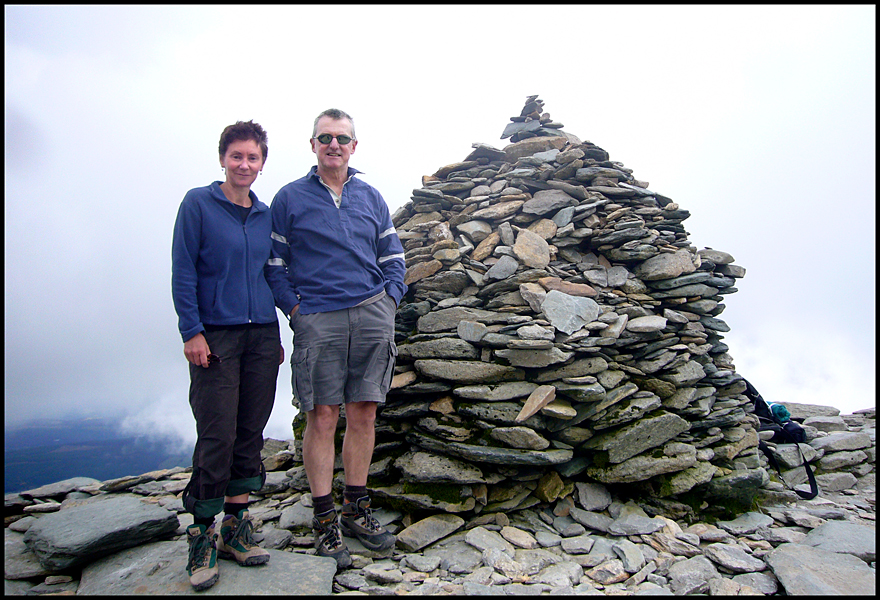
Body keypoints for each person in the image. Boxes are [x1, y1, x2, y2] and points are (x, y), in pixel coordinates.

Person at [266, 108, 407, 569]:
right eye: (325, 137)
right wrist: (296, 312)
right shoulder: (289, 198)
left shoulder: (371, 196)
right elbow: (275, 264)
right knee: (322, 416)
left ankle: (356, 508)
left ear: (353, 146)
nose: (334, 145)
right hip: (318, 317)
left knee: (364, 413)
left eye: (342, 138)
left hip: (372, 312)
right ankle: (324, 518)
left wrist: (390, 301)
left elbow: (393, 255)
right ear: (313, 145)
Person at [171, 120, 283, 591]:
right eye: (236, 155)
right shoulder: (198, 203)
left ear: (262, 163)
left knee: (249, 431)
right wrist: (191, 331)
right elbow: (183, 269)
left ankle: (236, 527)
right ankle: (202, 534)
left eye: (252, 157)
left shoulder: (265, 214)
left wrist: (289, 320)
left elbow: (272, 271)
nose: (244, 164)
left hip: (262, 337)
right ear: (222, 158)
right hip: (215, 336)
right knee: (217, 433)